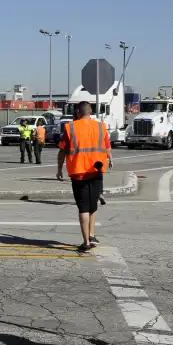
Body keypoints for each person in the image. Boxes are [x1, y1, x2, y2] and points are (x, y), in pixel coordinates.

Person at [56, 101, 112, 253]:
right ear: (90, 111)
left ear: (78, 112)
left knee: (83, 207)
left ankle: (86, 242)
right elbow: (107, 147)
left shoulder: (71, 128)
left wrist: (59, 169)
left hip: (79, 172)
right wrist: (111, 160)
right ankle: (92, 235)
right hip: (96, 171)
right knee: (93, 205)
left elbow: (62, 151)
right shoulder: (100, 127)